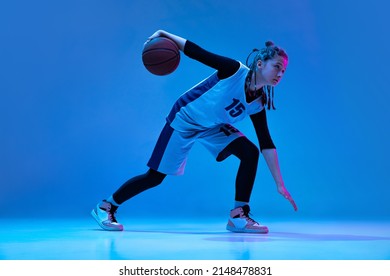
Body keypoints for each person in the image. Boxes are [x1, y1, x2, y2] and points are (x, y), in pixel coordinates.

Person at [91, 30, 297, 234]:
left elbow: (266, 143)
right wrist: (165, 34)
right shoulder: (234, 70)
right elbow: (197, 52)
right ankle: (105, 207)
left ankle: (238, 216)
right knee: (155, 177)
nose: (280, 74)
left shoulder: (259, 102)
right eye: (277, 67)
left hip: (212, 126)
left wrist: (280, 184)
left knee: (250, 152)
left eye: (284, 71)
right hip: (185, 119)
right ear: (260, 64)